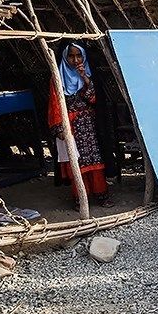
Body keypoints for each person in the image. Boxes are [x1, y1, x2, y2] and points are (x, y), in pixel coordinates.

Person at [47, 42, 113, 208]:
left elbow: (94, 99)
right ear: (65, 57)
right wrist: (59, 128)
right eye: (71, 56)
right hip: (71, 126)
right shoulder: (58, 79)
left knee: (95, 160)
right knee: (76, 163)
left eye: (79, 56)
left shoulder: (89, 75)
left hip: (89, 126)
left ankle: (101, 195)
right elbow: (54, 104)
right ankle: (81, 198)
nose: (75, 60)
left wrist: (84, 78)